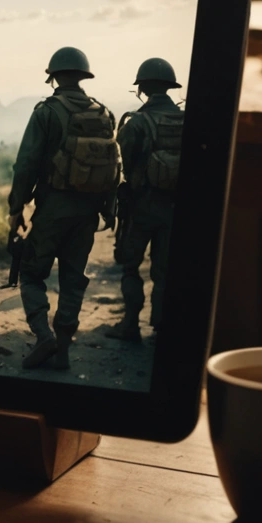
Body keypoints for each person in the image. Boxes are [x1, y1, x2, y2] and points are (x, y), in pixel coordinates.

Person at [8, 47, 119, 372]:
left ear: (53, 75)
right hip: (88, 213)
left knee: (30, 273)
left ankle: (44, 336)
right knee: (73, 279)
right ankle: (64, 351)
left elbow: (26, 163)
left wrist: (17, 207)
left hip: (53, 208)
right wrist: (109, 209)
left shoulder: (47, 111)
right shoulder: (104, 112)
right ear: (84, 76)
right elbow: (115, 166)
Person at [107, 57, 183, 343]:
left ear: (143, 88)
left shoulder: (137, 122)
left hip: (142, 207)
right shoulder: (188, 119)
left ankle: (130, 325)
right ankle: (162, 327)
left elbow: (124, 162)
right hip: (174, 207)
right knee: (164, 270)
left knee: (131, 265)